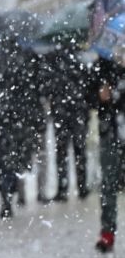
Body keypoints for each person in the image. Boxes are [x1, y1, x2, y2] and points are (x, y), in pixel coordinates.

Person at [0, 37, 44, 219]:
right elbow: (37, 88)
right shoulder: (27, 57)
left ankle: (4, 195)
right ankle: (11, 191)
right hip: (19, 120)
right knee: (15, 159)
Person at [43, 43, 90, 202]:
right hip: (78, 112)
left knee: (62, 152)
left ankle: (63, 189)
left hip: (61, 113)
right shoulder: (81, 59)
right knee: (79, 151)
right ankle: (82, 187)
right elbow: (88, 85)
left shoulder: (54, 61)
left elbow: (47, 88)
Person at [89, 56, 125, 252]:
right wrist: (100, 97)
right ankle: (107, 233)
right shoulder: (103, 65)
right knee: (109, 184)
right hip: (110, 132)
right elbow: (88, 96)